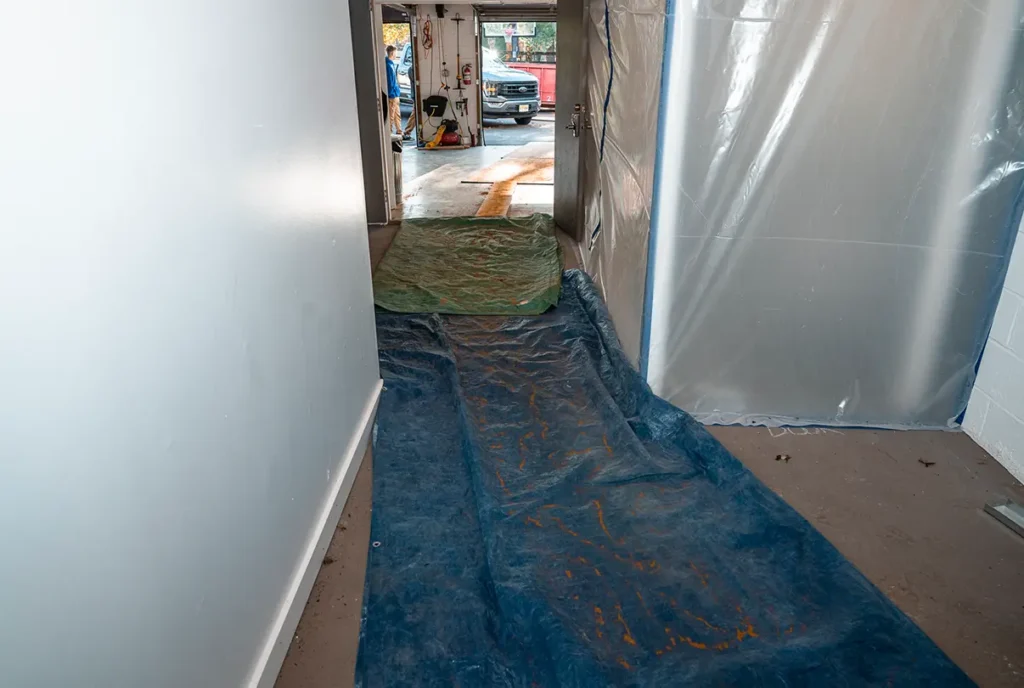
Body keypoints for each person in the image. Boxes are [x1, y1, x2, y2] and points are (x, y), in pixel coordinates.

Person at [385, 45, 402, 136]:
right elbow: (390, 81)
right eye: (395, 52)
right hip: (392, 94)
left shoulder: (390, 64)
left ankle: (399, 130)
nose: (396, 54)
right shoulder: (388, 65)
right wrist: (392, 93)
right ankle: (389, 132)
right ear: (392, 53)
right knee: (391, 115)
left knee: (397, 114)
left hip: (395, 93)